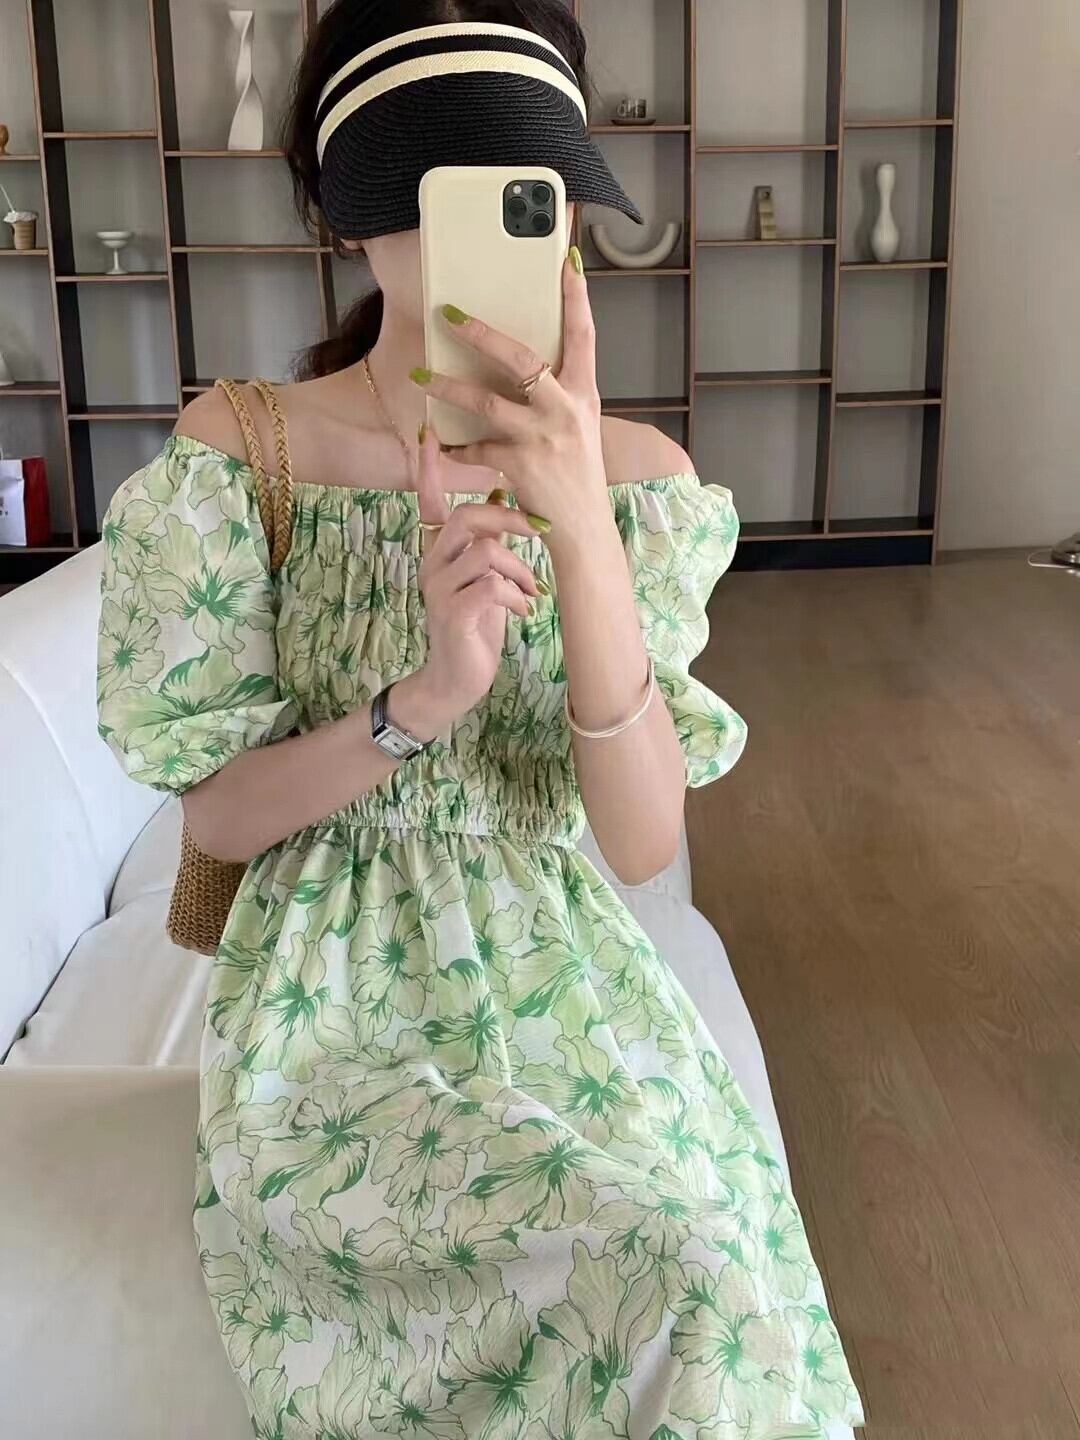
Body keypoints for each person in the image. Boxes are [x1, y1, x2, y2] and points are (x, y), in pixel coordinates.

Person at [96, 1, 863, 1435]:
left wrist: (580, 525)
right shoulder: (240, 453)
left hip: (562, 970)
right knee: (637, 1256)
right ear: (348, 215)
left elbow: (641, 843)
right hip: (327, 993)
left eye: (533, 192)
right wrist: (422, 701)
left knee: (699, 1256)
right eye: (439, 195)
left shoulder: (638, 479)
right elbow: (219, 816)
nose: (497, 237)